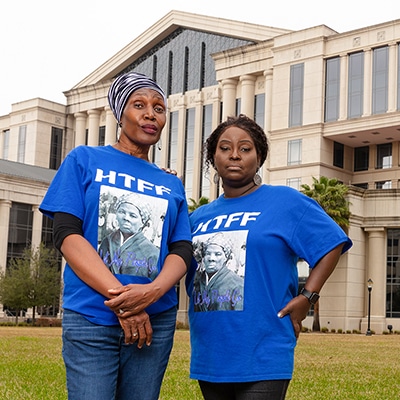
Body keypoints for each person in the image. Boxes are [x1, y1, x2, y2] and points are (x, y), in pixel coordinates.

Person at [40, 71, 192, 400]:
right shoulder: (84, 159)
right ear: (120, 113)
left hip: (155, 320)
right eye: (139, 105)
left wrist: (150, 294)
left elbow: (181, 249)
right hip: (92, 314)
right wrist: (126, 302)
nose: (151, 114)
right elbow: (67, 234)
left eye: (159, 108)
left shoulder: (171, 183)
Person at [185, 114, 352, 400]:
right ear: (213, 159)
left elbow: (330, 243)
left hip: (263, 350)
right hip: (210, 353)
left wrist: (308, 297)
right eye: (224, 148)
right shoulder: (196, 218)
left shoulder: (285, 202)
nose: (234, 155)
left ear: (259, 157)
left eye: (245, 148)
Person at [192, 232, 244, 311]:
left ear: (226, 258)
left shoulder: (238, 284)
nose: (211, 258)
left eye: (218, 254)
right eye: (208, 253)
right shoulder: (197, 281)